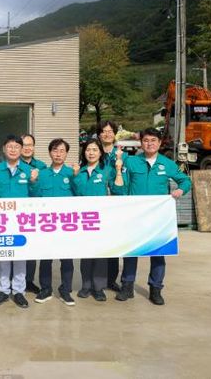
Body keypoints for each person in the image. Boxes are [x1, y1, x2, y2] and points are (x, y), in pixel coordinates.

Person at [116, 127, 190, 305]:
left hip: (158, 218)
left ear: (159, 143)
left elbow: (185, 180)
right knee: (131, 252)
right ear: (141, 143)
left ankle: (155, 289)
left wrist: (181, 190)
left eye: (153, 140)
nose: (149, 144)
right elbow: (124, 187)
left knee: (158, 253)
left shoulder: (167, 163)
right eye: (146, 140)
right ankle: (127, 286)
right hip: (134, 216)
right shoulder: (132, 162)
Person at [71, 139, 125, 302]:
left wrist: (118, 170)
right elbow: (75, 194)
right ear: (84, 152)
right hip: (84, 220)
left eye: (95, 149)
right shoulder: (79, 171)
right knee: (86, 254)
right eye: (88, 149)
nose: (91, 153)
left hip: (102, 219)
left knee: (101, 254)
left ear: (101, 153)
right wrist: (75, 176)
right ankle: (86, 286)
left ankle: (98, 288)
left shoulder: (107, 170)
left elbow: (118, 191)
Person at [0, 135, 36, 309]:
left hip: (22, 220)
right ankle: (3, 290)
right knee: (4, 256)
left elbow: (36, 195)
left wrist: (34, 181)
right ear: (4, 149)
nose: (13, 150)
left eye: (16, 147)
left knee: (20, 256)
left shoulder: (29, 171)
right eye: (10, 146)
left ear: (22, 150)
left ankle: (19, 291)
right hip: (2, 220)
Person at [31, 138, 76, 306]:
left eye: (62, 151)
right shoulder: (42, 174)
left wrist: (77, 177)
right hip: (47, 225)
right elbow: (34, 197)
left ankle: (66, 290)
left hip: (66, 225)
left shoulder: (72, 174)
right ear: (50, 153)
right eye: (55, 150)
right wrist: (33, 181)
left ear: (66, 153)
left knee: (67, 259)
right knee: (45, 258)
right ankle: (46, 289)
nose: (58, 154)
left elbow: (80, 195)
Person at [98, 120, 123, 292]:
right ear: (99, 134)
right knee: (99, 243)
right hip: (98, 205)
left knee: (114, 243)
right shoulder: (93, 153)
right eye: (103, 131)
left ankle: (111, 280)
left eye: (110, 131)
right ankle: (97, 279)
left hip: (116, 205)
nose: (107, 134)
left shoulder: (122, 155)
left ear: (114, 134)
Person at [20, 133, 46, 294]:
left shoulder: (41, 167)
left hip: (34, 214)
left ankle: (28, 280)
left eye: (30, 145)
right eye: (24, 145)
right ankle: (14, 281)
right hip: (18, 213)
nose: (27, 148)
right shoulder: (13, 165)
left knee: (31, 249)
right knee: (17, 248)